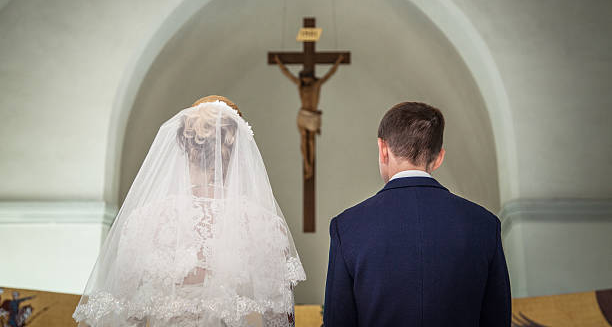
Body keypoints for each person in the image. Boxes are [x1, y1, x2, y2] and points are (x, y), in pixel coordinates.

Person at [73, 95, 306, 327]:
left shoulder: (144, 220)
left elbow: (121, 316)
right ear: (239, 152)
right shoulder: (265, 225)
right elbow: (280, 321)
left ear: (185, 149)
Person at [323, 101, 511, 326]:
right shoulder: (484, 225)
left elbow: (338, 322)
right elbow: (497, 321)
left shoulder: (347, 227)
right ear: (439, 157)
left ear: (383, 149)